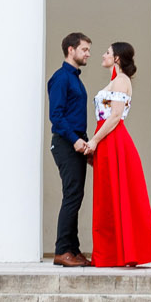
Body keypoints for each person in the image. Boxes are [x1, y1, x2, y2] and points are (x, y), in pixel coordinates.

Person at [86, 41, 151, 268]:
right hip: (108, 141)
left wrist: (94, 140)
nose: (102, 55)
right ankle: (113, 253)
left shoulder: (121, 81)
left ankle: (148, 247)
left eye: (107, 52)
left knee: (120, 196)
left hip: (114, 141)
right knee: (109, 198)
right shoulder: (115, 80)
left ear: (116, 58)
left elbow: (115, 116)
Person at [47, 31, 92, 267]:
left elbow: (75, 117)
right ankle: (62, 251)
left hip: (76, 143)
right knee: (72, 196)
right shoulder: (61, 78)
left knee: (76, 196)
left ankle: (73, 250)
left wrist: (86, 144)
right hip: (65, 143)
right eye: (84, 49)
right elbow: (56, 116)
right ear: (70, 50)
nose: (88, 54)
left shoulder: (75, 79)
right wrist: (75, 140)